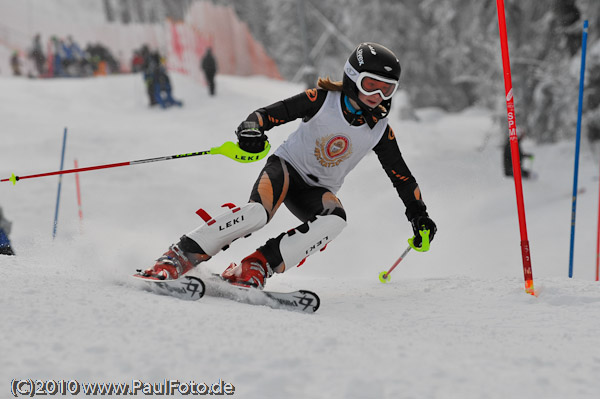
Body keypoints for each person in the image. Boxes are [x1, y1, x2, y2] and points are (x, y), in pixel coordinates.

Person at [141, 42, 437, 289]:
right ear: (351, 77)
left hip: (317, 190)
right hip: (286, 169)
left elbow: (402, 177)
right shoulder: (322, 100)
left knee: (335, 220)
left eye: (387, 89)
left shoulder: (380, 129)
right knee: (257, 213)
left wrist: (418, 215)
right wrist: (251, 131)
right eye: (371, 85)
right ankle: (179, 255)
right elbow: (265, 115)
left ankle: (255, 267)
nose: (378, 97)